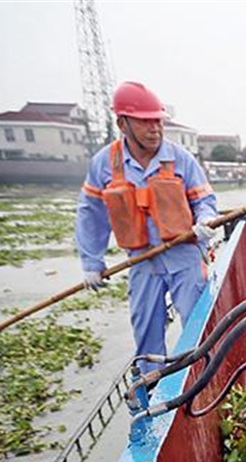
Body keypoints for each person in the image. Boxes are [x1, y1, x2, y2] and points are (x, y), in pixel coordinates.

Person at [76, 81, 218, 372]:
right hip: (142, 262)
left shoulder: (180, 159)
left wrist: (205, 220)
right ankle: (151, 390)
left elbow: (204, 200)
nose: (155, 129)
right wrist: (91, 262)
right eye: (145, 122)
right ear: (122, 123)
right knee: (146, 332)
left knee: (198, 326)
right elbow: (90, 215)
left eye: (158, 121)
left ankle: (204, 380)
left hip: (186, 257)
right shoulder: (104, 163)